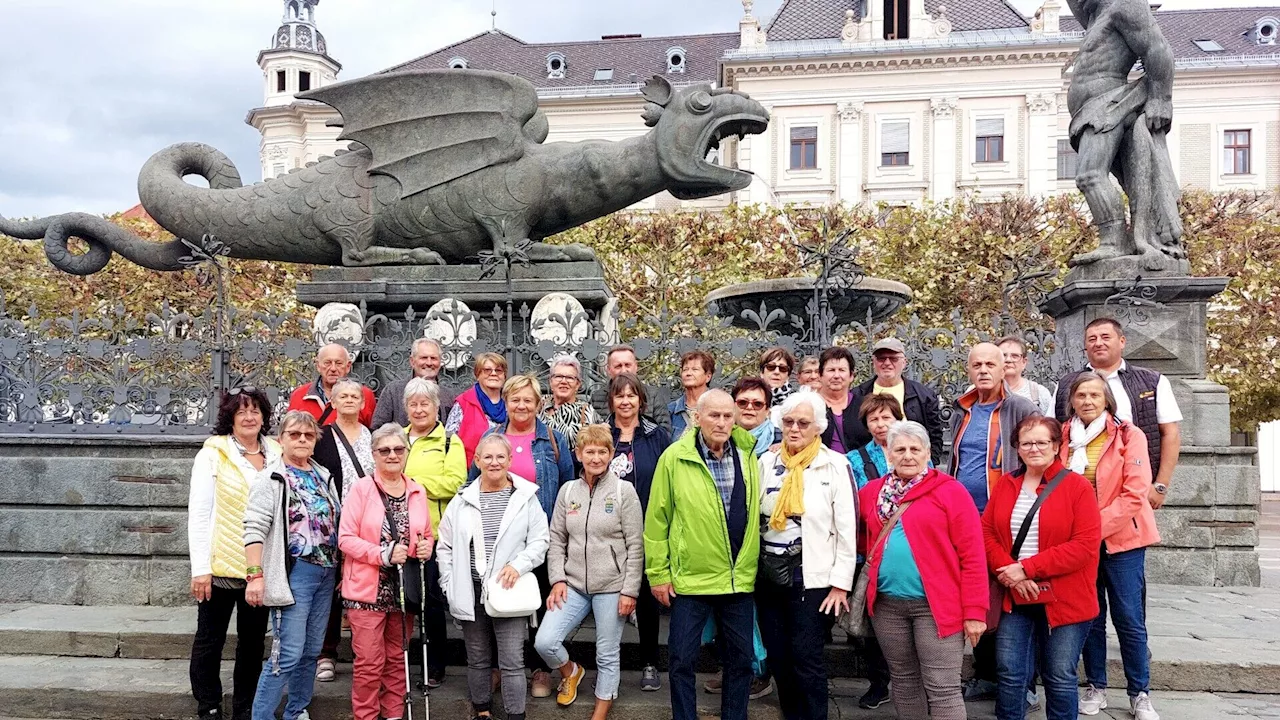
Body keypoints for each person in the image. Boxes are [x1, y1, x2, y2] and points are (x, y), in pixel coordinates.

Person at [858, 421, 988, 720]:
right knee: (903, 683)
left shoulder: (951, 491)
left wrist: (975, 612)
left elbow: (973, 555)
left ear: (928, 453)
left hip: (936, 607)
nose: (907, 456)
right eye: (899, 449)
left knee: (942, 688)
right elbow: (861, 540)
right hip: (888, 606)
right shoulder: (871, 493)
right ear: (888, 454)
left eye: (915, 449)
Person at [645, 389, 761, 720]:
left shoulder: (748, 454)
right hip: (691, 579)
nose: (722, 422)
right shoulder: (675, 458)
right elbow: (657, 520)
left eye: (728, 415)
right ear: (698, 417)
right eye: (714, 415)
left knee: (741, 660)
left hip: (738, 580)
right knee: (681, 659)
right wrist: (659, 574)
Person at [983, 416, 1101, 720]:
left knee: (1059, 675)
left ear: (1056, 446)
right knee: (1009, 673)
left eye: (1041, 442)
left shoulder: (1077, 487)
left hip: (1065, 597)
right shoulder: (1006, 485)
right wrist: (1010, 573)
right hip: (1015, 595)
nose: (1033, 448)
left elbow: (1084, 546)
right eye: (1026, 443)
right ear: (1017, 449)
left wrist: (1027, 569)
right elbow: (987, 534)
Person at [1059, 371, 1162, 720]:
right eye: (1081, 395)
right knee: (1091, 616)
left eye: (1094, 395)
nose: (1087, 401)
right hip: (1079, 543)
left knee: (1129, 617)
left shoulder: (1129, 435)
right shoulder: (1062, 437)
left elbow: (1135, 493)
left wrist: (1091, 530)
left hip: (1122, 540)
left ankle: (1140, 692)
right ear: (1071, 400)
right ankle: (1096, 685)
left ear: (1107, 400)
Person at [468, 374, 575, 698]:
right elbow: (473, 483)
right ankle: (502, 667)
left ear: (538, 403)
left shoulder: (553, 440)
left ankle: (540, 670)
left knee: (541, 603)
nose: (521, 405)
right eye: (515, 399)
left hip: (541, 539)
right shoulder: (492, 437)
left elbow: (568, 487)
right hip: (496, 539)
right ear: (507, 402)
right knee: (500, 606)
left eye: (528, 399)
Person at [756, 391, 857, 720]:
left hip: (811, 575)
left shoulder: (835, 464)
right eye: (788, 422)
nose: (794, 428)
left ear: (818, 427)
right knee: (778, 655)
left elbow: (846, 527)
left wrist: (841, 584)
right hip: (769, 573)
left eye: (803, 423)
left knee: (806, 657)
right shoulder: (767, 463)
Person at [436, 434, 550, 720]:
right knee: (477, 659)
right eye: (487, 456)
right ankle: (482, 711)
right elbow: (445, 546)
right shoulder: (462, 500)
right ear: (477, 461)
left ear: (510, 460)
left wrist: (520, 564)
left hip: (508, 590)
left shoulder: (525, 498)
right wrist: (448, 584)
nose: (494, 462)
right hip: (470, 589)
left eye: (500, 457)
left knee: (512, 661)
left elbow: (540, 540)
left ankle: (515, 715)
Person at [534, 425, 645, 717]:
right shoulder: (568, 490)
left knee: (607, 653)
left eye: (602, 451)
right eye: (589, 451)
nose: (595, 457)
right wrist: (557, 578)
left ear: (610, 455)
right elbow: (556, 539)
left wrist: (629, 590)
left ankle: (599, 713)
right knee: (545, 641)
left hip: (612, 586)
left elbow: (636, 546)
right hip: (573, 585)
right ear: (579, 454)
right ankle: (571, 671)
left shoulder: (624, 491)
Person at [950, 342, 1039, 702]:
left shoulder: (1020, 407)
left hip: (1006, 516)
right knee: (978, 597)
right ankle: (986, 675)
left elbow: (1039, 454)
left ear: (1006, 368)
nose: (984, 370)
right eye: (977, 364)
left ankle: (1024, 684)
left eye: (991, 363)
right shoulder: (962, 409)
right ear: (969, 370)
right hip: (965, 517)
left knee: (1013, 599)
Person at [188, 387, 279, 720]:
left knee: (253, 644)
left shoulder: (276, 452)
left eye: (255, 411)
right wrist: (200, 569)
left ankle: (245, 708)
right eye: (242, 412)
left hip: (261, 567)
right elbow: (199, 513)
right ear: (230, 418)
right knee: (210, 640)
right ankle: (208, 705)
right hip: (220, 567)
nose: (250, 417)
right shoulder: (213, 454)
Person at [244, 411, 341, 720]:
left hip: (326, 573)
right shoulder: (272, 477)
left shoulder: (322, 474)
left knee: (312, 651)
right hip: (295, 573)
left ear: (315, 442)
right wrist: (255, 576)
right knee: (286, 654)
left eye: (308, 435)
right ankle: (262, 716)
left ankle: (296, 711)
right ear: (280, 439)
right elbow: (254, 528)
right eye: (294, 434)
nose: (301, 439)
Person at [338, 424, 434, 720]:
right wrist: (382, 554)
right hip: (367, 589)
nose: (392, 455)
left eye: (398, 449)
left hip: (404, 590)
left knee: (397, 658)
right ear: (374, 454)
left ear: (406, 452)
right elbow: (345, 538)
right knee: (369, 662)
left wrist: (426, 547)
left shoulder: (417, 490)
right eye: (385, 450)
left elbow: (427, 534)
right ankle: (365, 716)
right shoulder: (362, 489)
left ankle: (393, 715)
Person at [1054, 317, 1182, 511]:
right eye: (1092, 339)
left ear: (1122, 341)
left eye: (1105, 337)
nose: (1098, 343)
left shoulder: (1152, 382)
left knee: (1128, 540)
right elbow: (1053, 435)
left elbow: (1170, 433)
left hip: (1135, 489)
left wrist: (1161, 485)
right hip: (1075, 492)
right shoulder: (1065, 385)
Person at [604, 372, 671, 691]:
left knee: (645, 597)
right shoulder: (601, 433)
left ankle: (649, 663)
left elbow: (669, 479)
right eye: (620, 396)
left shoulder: (656, 435)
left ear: (640, 400)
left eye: (632, 395)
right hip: (607, 529)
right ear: (611, 401)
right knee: (607, 598)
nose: (626, 401)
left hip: (646, 526)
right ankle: (607, 667)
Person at [401, 377, 468, 688]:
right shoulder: (396, 439)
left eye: (424, 403)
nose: (418, 409)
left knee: (429, 603)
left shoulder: (448, 442)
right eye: (413, 404)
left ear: (436, 407)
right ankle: (398, 664)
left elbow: (455, 483)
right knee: (402, 602)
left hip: (433, 535)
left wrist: (412, 485)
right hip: (398, 535)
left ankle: (435, 666)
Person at [311, 379, 375, 682]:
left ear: (363, 404)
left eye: (355, 396)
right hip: (331, 524)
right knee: (330, 588)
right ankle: (326, 652)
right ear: (332, 402)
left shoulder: (372, 437)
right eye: (343, 396)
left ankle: (367, 652)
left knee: (363, 586)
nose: (350, 400)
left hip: (367, 524)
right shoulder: (320, 438)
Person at [842, 393, 900, 709]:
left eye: (886, 417)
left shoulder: (914, 450)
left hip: (908, 551)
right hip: (871, 551)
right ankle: (879, 683)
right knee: (873, 624)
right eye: (874, 419)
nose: (880, 424)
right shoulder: (854, 459)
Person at [845, 338, 944, 465]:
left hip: (913, 465)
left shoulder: (924, 396)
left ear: (904, 362)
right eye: (881, 358)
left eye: (893, 358)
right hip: (869, 468)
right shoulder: (857, 395)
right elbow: (851, 435)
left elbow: (935, 436)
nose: (887, 363)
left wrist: (927, 465)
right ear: (873, 362)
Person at [372, 338, 456, 429]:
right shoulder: (393, 391)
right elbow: (378, 428)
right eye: (424, 358)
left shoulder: (449, 396)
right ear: (412, 361)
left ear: (440, 362)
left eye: (433, 358)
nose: (429, 362)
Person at [287, 343, 376, 427]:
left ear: (348, 366)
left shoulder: (363, 395)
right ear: (318, 366)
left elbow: (372, 434)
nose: (333, 368)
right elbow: (289, 432)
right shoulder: (299, 395)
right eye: (327, 363)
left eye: (338, 363)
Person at [446, 352, 509, 465]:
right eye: (487, 370)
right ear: (478, 375)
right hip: (469, 471)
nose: (493, 374)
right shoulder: (464, 403)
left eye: (498, 370)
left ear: (504, 376)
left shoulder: (512, 403)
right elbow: (449, 440)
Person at [589, 344, 672, 430]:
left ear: (636, 366)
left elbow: (664, 432)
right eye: (618, 366)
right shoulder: (597, 398)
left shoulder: (653, 395)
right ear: (609, 370)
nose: (624, 370)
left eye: (627, 365)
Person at [540, 353, 601, 452]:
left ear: (578, 384)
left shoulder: (588, 413)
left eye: (570, 378)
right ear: (550, 381)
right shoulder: (538, 406)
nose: (564, 381)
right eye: (558, 376)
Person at [997, 336, 1054, 415]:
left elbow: (1050, 425)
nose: (1008, 360)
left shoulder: (1039, 393)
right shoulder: (979, 392)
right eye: (1003, 355)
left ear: (1024, 362)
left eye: (1015, 356)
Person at [816, 346, 856, 454]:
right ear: (820, 375)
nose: (836, 376)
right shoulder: (809, 404)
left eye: (842, 370)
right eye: (831, 370)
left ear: (851, 376)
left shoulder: (863, 406)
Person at [669, 350, 715, 438]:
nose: (688, 373)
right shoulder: (671, 410)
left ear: (708, 376)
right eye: (685, 369)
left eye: (695, 369)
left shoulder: (719, 407)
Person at [732, 376, 776, 457]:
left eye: (757, 404)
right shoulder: (720, 439)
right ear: (732, 406)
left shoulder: (782, 442)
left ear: (767, 411)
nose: (749, 407)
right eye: (742, 402)